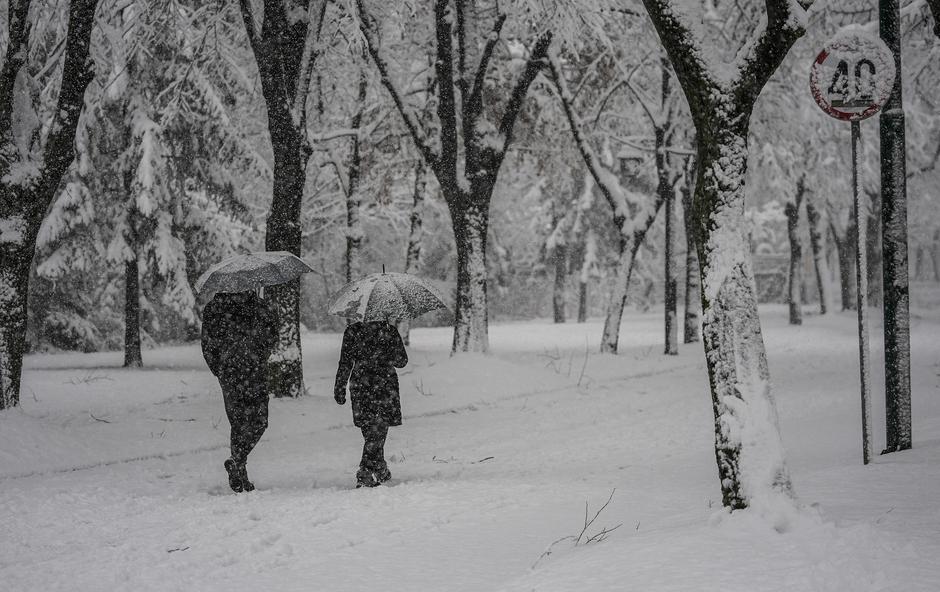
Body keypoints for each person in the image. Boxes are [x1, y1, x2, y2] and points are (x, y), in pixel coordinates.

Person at [201, 290, 278, 493]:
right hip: (254, 370)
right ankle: (238, 462)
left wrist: (218, 368)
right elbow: (272, 338)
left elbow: (207, 343)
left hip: (230, 373)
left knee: (238, 423)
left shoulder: (214, 308)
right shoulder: (261, 307)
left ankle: (239, 467)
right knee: (259, 421)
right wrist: (259, 354)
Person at [333, 319, 409, 488]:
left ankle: (379, 466)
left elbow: (345, 362)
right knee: (378, 429)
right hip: (384, 385)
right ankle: (365, 471)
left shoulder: (352, 331)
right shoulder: (389, 330)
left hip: (361, 385)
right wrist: (387, 350)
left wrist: (339, 386)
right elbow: (402, 361)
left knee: (371, 429)